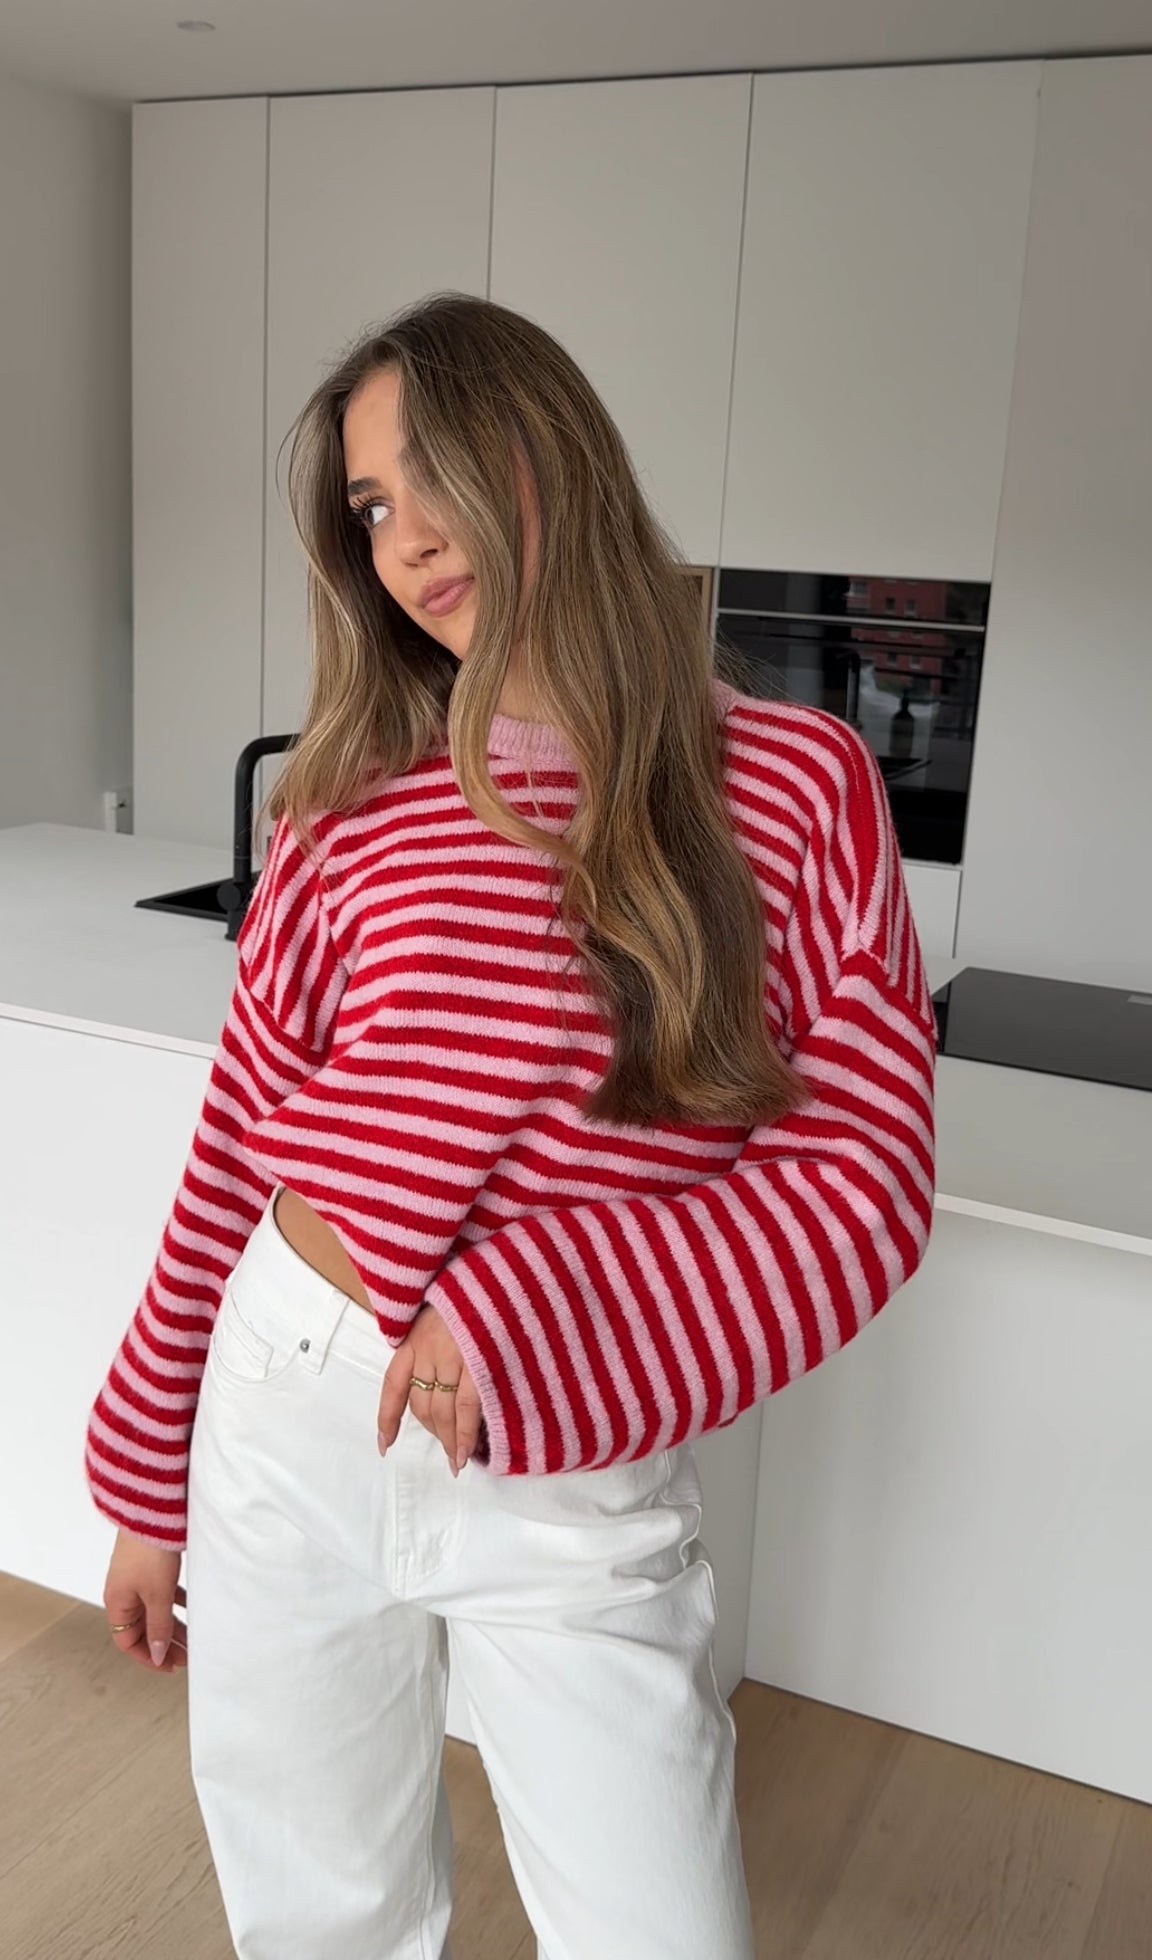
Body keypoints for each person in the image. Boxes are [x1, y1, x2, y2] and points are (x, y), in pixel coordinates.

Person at [84, 292, 938, 1960]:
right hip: (292, 1401)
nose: (404, 541)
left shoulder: (791, 783)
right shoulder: (344, 799)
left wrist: (524, 1313)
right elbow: (239, 1144)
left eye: (434, 477)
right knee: (320, 1920)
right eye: (369, 507)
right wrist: (145, 1476)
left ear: (549, 455)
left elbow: (861, 1177)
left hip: (570, 1454)